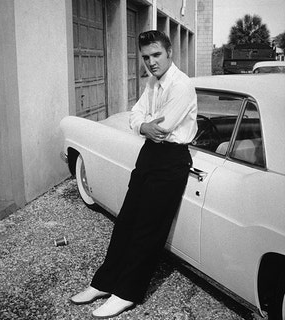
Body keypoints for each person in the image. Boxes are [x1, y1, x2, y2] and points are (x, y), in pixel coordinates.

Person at [71, 30, 197, 318]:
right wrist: (143, 126)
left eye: (156, 55)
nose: (151, 62)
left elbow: (163, 129)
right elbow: (135, 116)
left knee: (147, 230)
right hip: (149, 155)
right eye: (146, 57)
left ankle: (126, 293)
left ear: (170, 53)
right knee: (126, 222)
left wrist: (145, 125)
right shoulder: (153, 82)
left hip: (172, 160)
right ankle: (103, 283)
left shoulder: (182, 85)